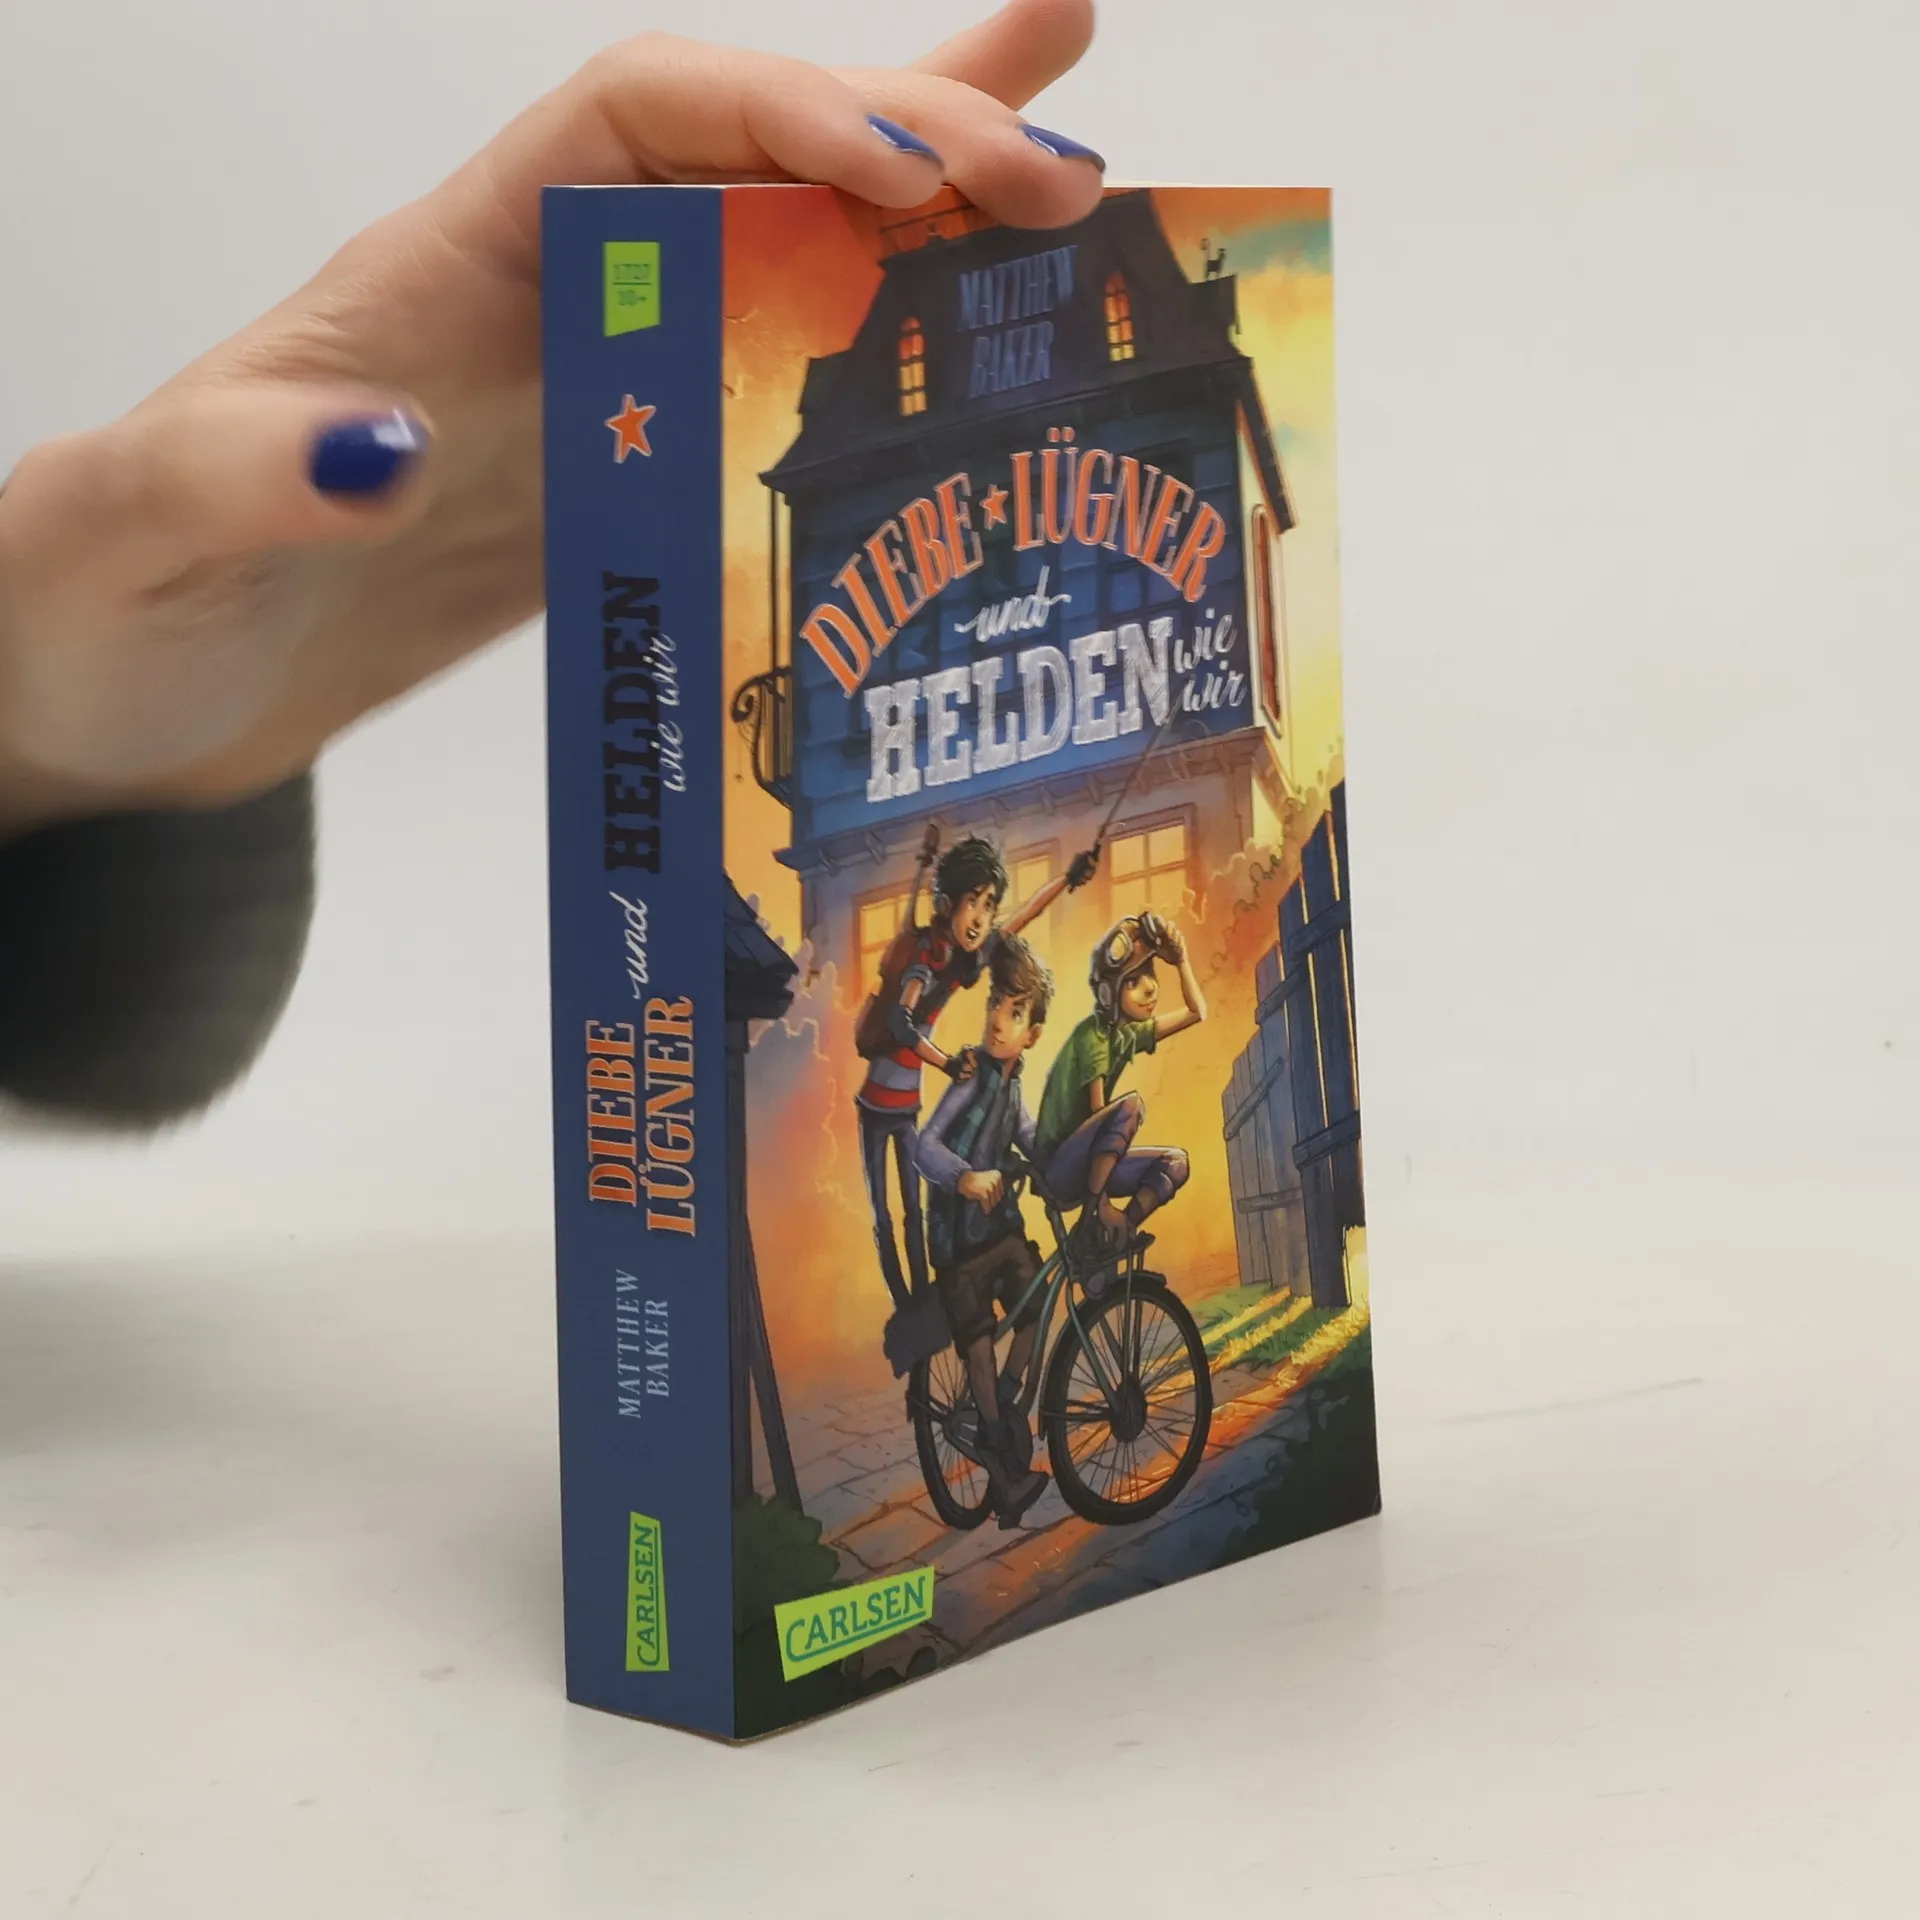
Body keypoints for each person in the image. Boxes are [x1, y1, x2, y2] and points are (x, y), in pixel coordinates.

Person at [0, 0, 1106, 1127]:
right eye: (974, 907)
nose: (977, 919)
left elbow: (95, 1049)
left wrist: (82, 778)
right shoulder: (923, 944)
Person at [855, 832, 1094, 1312]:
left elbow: (1025, 915)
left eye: (989, 904)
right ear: (948, 904)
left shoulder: (969, 955)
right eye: (973, 902)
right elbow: (901, 1022)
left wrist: (1067, 879)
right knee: (884, 1214)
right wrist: (946, 1062)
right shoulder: (925, 959)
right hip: (875, 1104)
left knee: (912, 1211)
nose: (982, 917)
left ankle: (922, 1297)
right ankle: (906, 1304)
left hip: (906, 1104)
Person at [914, 933, 1053, 1528]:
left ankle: (1001, 1407)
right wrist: (965, 1178)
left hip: (1000, 1231)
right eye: (996, 1003)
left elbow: (1030, 1136)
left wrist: (1060, 1157)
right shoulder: (970, 1077)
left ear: (1032, 1033)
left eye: (1015, 1012)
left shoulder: (1013, 1086)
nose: (999, 1020)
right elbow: (924, 1145)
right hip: (958, 1243)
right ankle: (1001, 1465)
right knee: (976, 1345)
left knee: (1037, 1306)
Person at [1033, 910, 1207, 1277]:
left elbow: (1196, 1012)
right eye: (1133, 981)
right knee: (1129, 1107)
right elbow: (1101, 1118)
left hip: (1093, 1165)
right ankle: (1095, 1218)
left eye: (1150, 975)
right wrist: (1102, 1205)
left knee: (1176, 1163)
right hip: (1061, 1169)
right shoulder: (1093, 1036)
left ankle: (1114, 1236)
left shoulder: (1124, 1035)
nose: (1150, 988)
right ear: (1109, 993)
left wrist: (1181, 961)